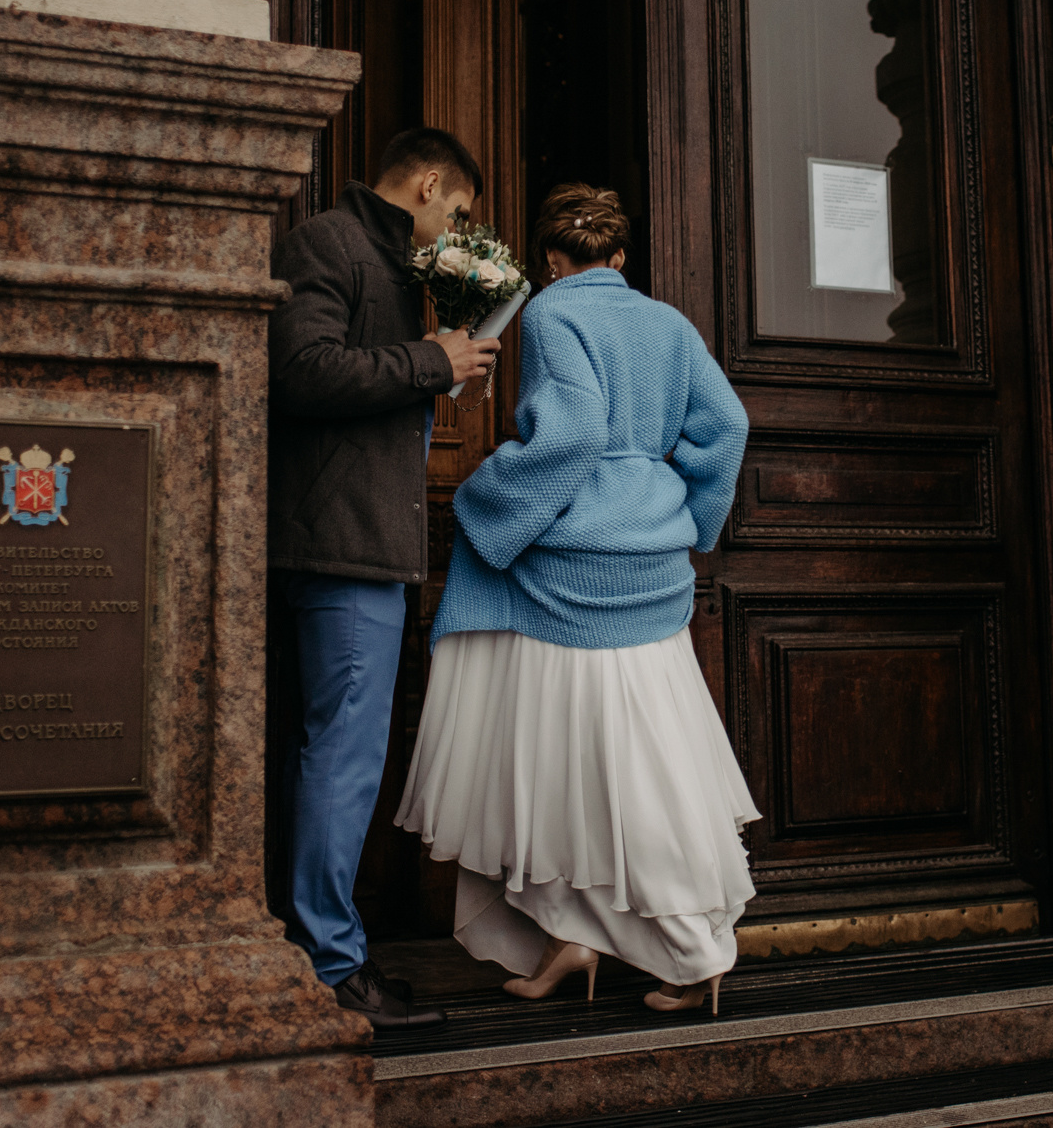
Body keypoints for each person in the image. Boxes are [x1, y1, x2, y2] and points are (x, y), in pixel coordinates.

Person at [395, 183, 756, 1015]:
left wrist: (490, 503)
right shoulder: (668, 322)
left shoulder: (554, 314)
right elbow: (726, 424)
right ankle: (574, 940)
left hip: (574, 568)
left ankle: (693, 953)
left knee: (568, 758)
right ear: (621, 257)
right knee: (618, 760)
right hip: (651, 567)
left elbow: (574, 434)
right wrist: (690, 516)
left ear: (553, 263)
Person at [266, 127, 501, 1030]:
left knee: (329, 755)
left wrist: (442, 366)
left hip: (357, 546)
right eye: (461, 212)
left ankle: (316, 951)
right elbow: (298, 369)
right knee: (343, 760)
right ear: (432, 184)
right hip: (337, 551)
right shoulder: (331, 241)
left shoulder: (399, 267)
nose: (458, 230)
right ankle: (330, 966)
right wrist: (429, 362)